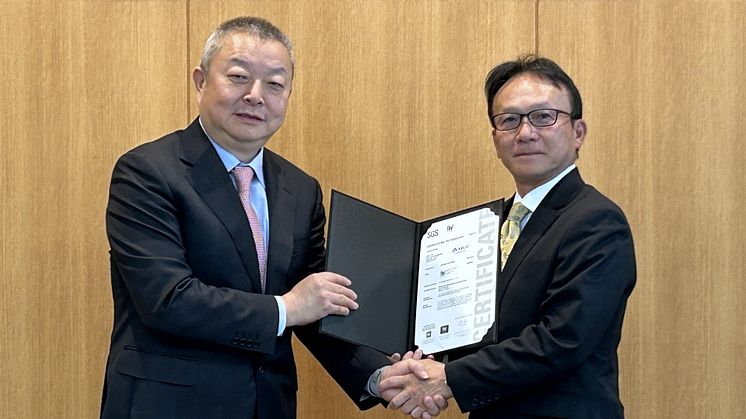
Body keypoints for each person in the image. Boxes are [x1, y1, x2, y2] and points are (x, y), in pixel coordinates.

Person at [100, 16, 406, 419]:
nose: (256, 95)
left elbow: (317, 305)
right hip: (168, 405)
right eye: (239, 76)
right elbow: (167, 299)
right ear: (200, 81)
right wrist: (286, 309)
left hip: (268, 406)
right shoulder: (146, 172)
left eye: (275, 84)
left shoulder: (301, 189)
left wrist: (379, 374)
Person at [380, 54, 637, 419]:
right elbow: (480, 331)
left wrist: (449, 378)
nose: (526, 132)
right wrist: (423, 362)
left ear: (578, 133)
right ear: (495, 138)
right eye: (509, 120)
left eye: (544, 116)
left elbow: (562, 339)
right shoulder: (486, 226)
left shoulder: (596, 220)